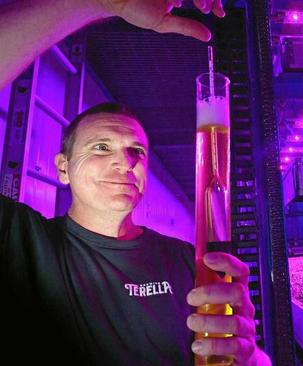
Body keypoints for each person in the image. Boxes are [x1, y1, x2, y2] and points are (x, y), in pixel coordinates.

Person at [0, 1, 271, 365]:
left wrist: (250, 357)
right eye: (100, 147)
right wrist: (98, 2)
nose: (124, 161)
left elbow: (236, 358)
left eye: (137, 151)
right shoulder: (21, 245)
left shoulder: (186, 260)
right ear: (62, 169)